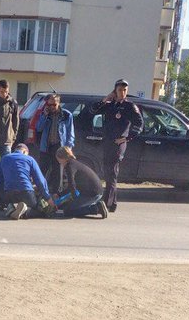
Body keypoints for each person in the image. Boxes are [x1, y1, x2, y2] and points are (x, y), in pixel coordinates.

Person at [90, 79, 143, 212]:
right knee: (107, 173)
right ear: (115, 91)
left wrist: (127, 138)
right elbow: (92, 110)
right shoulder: (110, 105)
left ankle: (106, 205)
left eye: (125, 90)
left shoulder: (130, 106)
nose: (122, 92)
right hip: (107, 142)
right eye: (120, 90)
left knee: (112, 174)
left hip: (118, 144)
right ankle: (112, 204)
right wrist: (106, 99)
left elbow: (139, 124)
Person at [0, 143, 54, 220]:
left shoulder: (4, 158)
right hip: (26, 193)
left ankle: (11, 207)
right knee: (42, 210)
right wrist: (48, 198)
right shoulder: (30, 159)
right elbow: (40, 181)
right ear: (24, 151)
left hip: (9, 194)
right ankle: (26, 211)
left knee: (11, 197)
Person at [35, 93, 74, 194]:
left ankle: (55, 192)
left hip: (59, 147)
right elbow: (39, 128)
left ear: (59, 103)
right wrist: (44, 115)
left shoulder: (66, 115)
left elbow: (70, 133)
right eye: (49, 105)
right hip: (46, 146)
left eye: (54, 105)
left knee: (57, 171)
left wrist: (68, 147)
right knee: (42, 170)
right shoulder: (45, 114)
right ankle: (40, 191)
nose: (52, 107)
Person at [54, 147, 108, 218]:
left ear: (64, 158)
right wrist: (60, 194)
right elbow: (73, 187)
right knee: (69, 207)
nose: (59, 162)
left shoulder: (69, 166)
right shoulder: (75, 162)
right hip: (97, 191)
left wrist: (69, 201)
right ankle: (92, 205)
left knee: (68, 212)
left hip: (92, 193)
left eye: (59, 160)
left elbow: (72, 185)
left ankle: (96, 208)